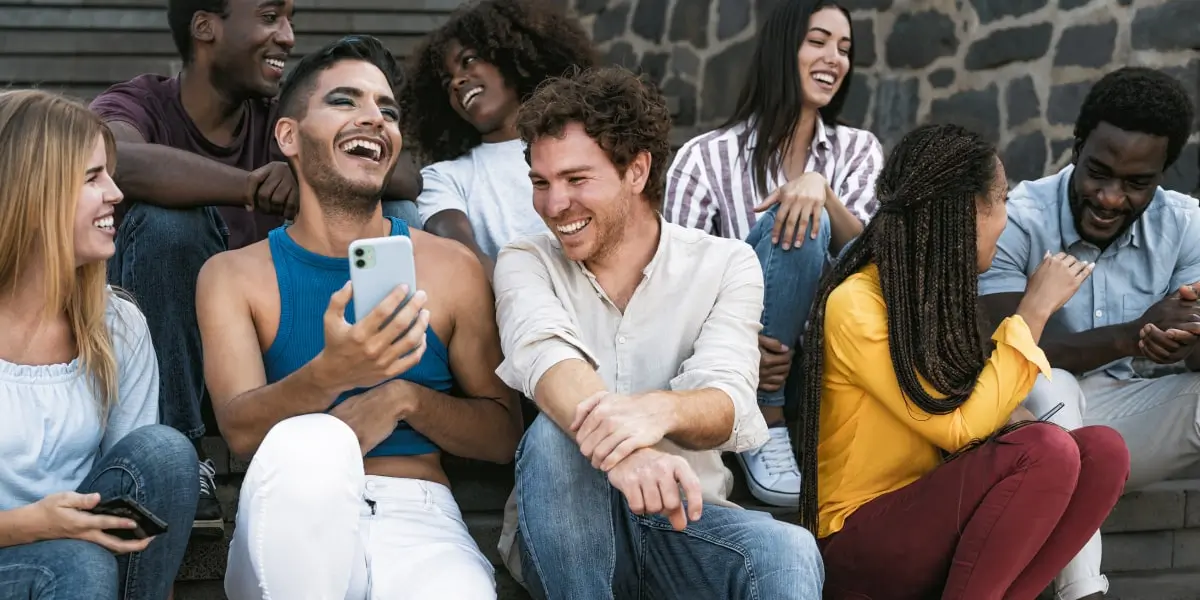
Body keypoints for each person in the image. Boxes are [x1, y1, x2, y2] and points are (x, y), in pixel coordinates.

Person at [195, 35, 523, 599]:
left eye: (388, 110)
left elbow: (504, 434)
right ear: (289, 137)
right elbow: (243, 432)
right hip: (293, 507)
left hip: (419, 517)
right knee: (312, 445)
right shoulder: (231, 276)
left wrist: (404, 399)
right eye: (346, 101)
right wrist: (336, 372)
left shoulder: (451, 269)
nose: (374, 118)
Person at [88, 0, 423, 535]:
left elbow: (404, 175)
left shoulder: (283, 119)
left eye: (289, 21)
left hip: (273, 354)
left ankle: (407, 404)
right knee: (170, 224)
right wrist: (251, 187)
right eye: (270, 17)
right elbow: (116, 160)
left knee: (397, 215)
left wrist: (317, 169)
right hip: (172, 352)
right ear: (206, 27)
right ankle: (183, 450)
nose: (288, 37)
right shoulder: (141, 102)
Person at [494, 66, 824, 599]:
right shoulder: (525, 260)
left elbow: (728, 400)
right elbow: (544, 355)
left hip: (687, 522)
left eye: (577, 180)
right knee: (556, 437)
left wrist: (658, 411)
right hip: (570, 532)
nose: (555, 205)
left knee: (788, 548)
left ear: (637, 171)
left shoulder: (726, 264)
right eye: (541, 182)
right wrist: (625, 450)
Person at [793, 122, 1130, 599]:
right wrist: (1032, 312)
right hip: (860, 539)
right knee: (1047, 451)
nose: (1007, 218)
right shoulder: (856, 303)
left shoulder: (937, 294)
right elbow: (954, 426)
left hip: (933, 511)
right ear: (973, 211)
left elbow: (970, 415)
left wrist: (1014, 416)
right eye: (1004, 201)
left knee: (1102, 452)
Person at [979, 67, 1198, 600]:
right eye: (1098, 172)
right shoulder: (1019, 218)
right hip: (1024, 424)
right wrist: (1133, 335)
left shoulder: (1185, 223)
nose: (1110, 197)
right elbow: (1004, 347)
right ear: (1076, 148)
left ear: (1163, 173)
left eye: (1136, 184)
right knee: (1044, 374)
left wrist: (1192, 338)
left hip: (1126, 418)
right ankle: (1084, 593)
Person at [664, 0, 883, 506]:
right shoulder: (704, 157)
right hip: (728, 356)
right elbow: (675, 283)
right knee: (797, 224)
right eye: (818, 41)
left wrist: (820, 191)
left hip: (830, 354)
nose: (834, 57)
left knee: (810, 217)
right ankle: (765, 411)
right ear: (783, 48)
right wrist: (740, 347)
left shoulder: (859, 150)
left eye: (845, 48)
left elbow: (876, 259)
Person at [0, 89, 198, 599]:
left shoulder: (117, 323)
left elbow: (141, 509)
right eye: (92, 177)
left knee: (165, 453)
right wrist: (29, 524)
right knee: (74, 564)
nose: (115, 193)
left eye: (109, 174)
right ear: (32, 189)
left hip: (83, 563)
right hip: (24, 559)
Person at [401, 0, 597, 279]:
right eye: (447, 82)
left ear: (510, 56)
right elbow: (463, 255)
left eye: (468, 61)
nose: (457, 81)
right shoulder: (444, 177)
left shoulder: (584, 143)